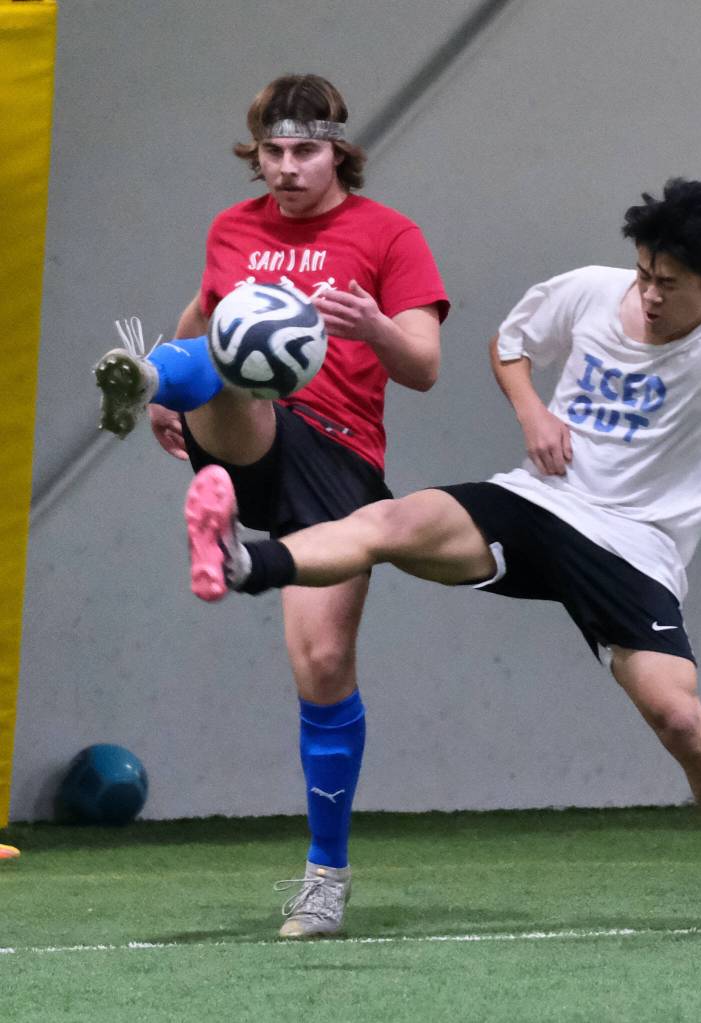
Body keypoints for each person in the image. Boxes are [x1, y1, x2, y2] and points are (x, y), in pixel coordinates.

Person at [185, 177, 701, 944]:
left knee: (680, 717)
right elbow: (509, 344)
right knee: (389, 520)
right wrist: (532, 412)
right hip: (536, 502)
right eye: (644, 273)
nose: (649, 294)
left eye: (671, 284)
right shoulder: (593, 290)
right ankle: (242, 562)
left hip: (635, 548)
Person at [93, 73, 449, 938]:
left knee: (323, 666)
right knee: (230, 357)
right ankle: (145, 381)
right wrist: (169, 389)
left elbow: (426, 365)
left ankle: (325, 879)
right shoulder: (231, 228)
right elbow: (207, 317)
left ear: (339, 151)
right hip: (253, 424)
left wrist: (374, 326)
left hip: (340, 456)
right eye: (272, 154)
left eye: (304, 152)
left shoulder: (388, 235)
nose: (286, 170)